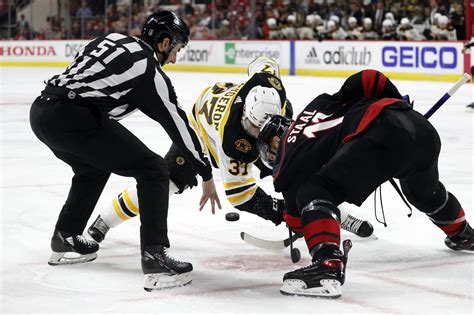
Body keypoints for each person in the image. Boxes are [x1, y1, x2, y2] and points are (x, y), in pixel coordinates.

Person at [86, 56, 373, 244]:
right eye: (253, 127)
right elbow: (241, 196)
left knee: (300, 165)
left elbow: (263, 63)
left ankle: (333, 212)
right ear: (247, 117)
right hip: (202, 134)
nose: (262, 135)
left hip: (230, 107)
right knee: (165, 181)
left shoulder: (269, 88)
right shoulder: (232, 140)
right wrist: (281, 212)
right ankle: (105, 221)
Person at [29, 11, 220, 291]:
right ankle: (155, 257)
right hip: (71, 117)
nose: (176, 58)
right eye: (177, 49)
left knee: (91, 168)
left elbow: (88, 80)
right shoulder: (149, 70)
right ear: (165, 43)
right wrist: (205, 173)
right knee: (154, 170)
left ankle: (65, 237)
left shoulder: (113, 38)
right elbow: (178, 125)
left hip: (41, 111)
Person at [256, 69, 473, 298]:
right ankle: (463, 233)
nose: (272, 158)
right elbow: (370, 78)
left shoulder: (283, 161)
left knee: (314, 191)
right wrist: (399, 106)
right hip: (420, 128)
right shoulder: (319, 103)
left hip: (382, 135)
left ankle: (327, 266)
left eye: (268, 153)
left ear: (275, 142)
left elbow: (297, 214)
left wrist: (300, 224)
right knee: (423, 193)